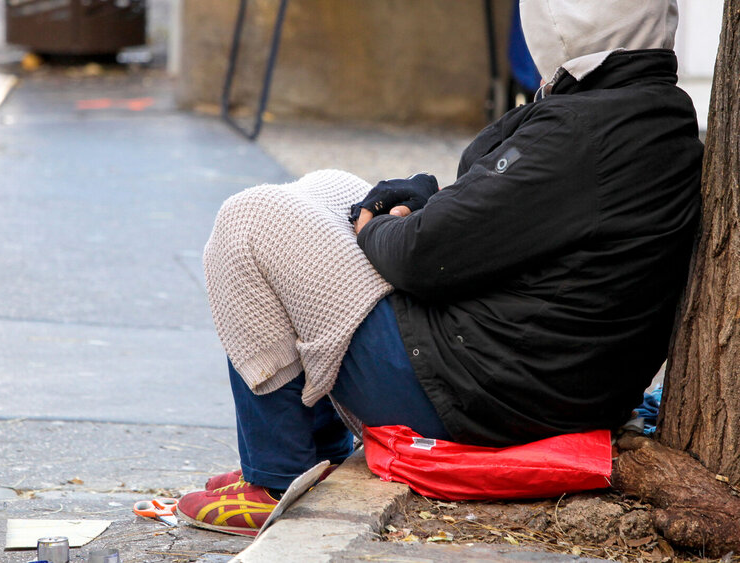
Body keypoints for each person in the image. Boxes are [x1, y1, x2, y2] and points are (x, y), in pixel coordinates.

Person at [178, 0, 703, 537]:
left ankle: (274, 475)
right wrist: (407, 207)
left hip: (474, 397)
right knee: (329, 186)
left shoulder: (586, 131)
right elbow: (494, 209)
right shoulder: (649, 111)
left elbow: (420, 258)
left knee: (251, 220)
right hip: (535, 384)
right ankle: (318, 451)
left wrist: (374, 227)